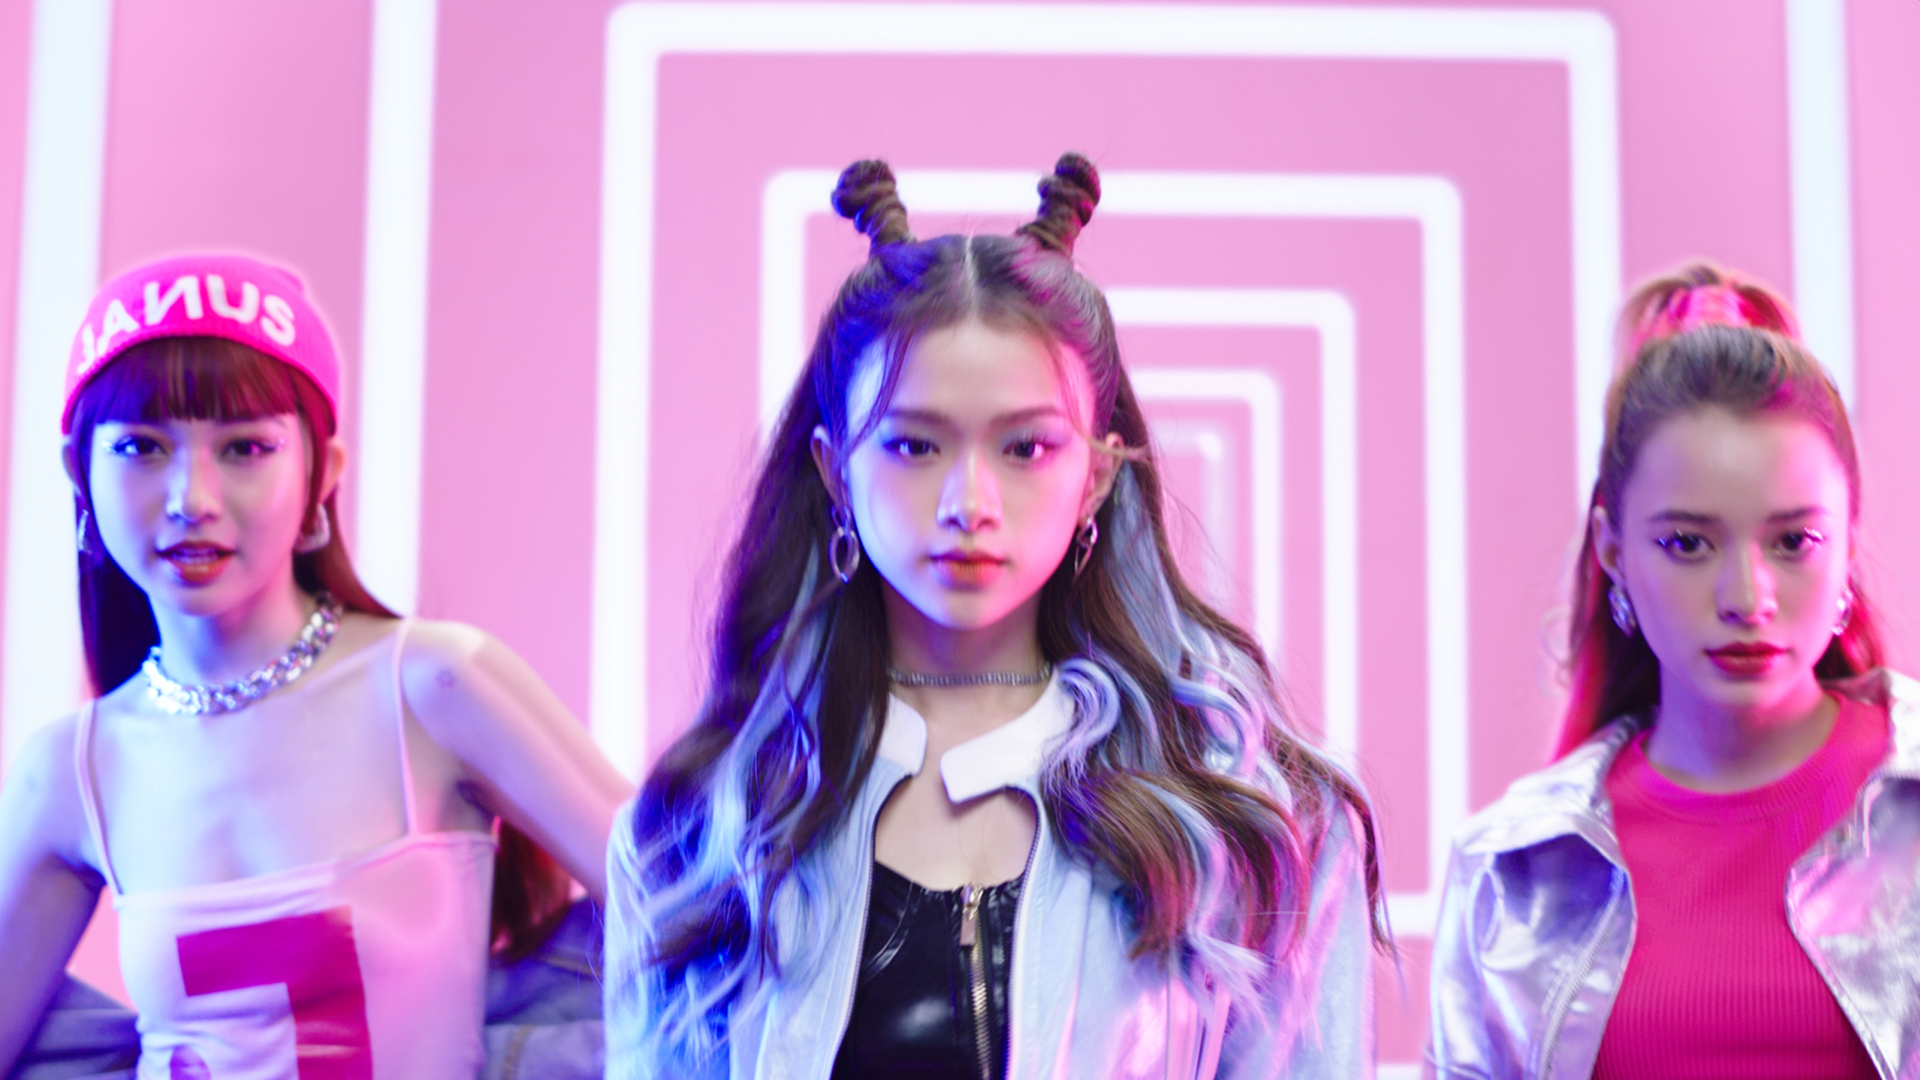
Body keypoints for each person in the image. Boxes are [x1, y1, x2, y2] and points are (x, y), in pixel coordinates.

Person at [604, 154, 1386, 1080]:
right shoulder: (708, 822)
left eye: (1025, 448)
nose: (968, 503)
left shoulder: (1256, 821)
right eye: (913, 445)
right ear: (834, 470)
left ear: (1096, 475)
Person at [0, 253, 634, 1078]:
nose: (192, 498)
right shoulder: (71, 771)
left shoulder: (436, 686)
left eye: (245, 447)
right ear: (78, 474)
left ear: (321, 474)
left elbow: (721, 928)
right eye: (141, 446)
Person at [1424, 263, 1917, 1078]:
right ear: (1613, 551)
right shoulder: (1515, 868)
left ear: (1848, 545)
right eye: (1688, 543)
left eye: (1793, 541)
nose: (1747, 597)